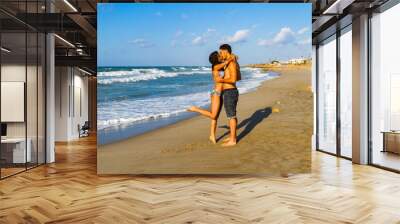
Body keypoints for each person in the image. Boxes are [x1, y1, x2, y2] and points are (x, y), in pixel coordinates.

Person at [187, 51, 236, 144]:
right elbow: (227, 62)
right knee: (213, 115)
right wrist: (231, 57)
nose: (221, 56)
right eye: (219, 55)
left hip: (221, 93)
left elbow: (227, 66)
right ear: (216, 58)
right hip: (216, 94)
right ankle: (195, 109)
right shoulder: (215, 67)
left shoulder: (219, 66)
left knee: (215, 116)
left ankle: (212, 135)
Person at [214, 44, 240, 147]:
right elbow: (238, 78)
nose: (220, 55)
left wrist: (222, 80)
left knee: (231, 116)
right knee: (232, 115)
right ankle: (232, 136)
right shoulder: (231, 62)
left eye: (221, 52)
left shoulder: (231, 63)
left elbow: (233, 79)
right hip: (231, 91)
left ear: (225, 51)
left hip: (230, 92)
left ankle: (233, 140)